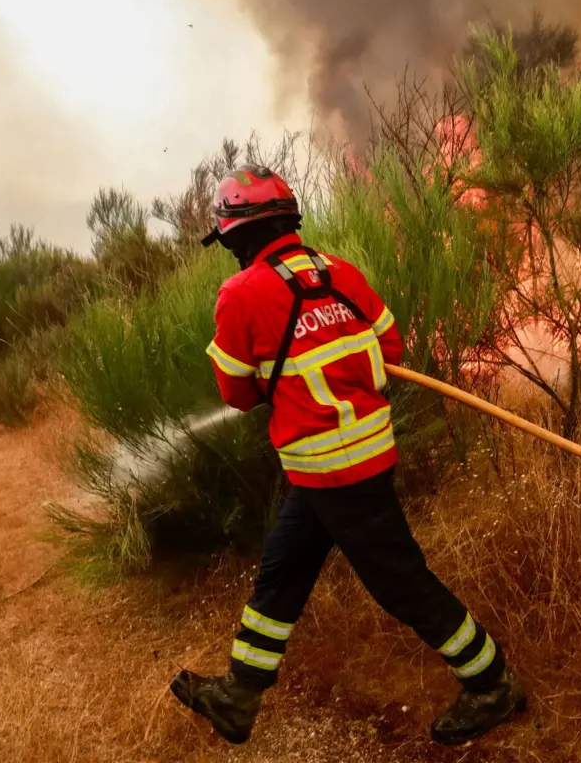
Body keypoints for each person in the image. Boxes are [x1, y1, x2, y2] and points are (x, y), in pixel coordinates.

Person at [169, 164, 527, 747]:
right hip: (348, 461)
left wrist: (280, 379)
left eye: (229, 240)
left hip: (336, 472)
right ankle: (239, 693)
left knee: (400, 582)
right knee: (283, 570)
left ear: (237, 233)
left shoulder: (241, 293)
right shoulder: (339, 272)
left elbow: (235, 393)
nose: (229, 251)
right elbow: (390, 346)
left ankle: (491, 683)